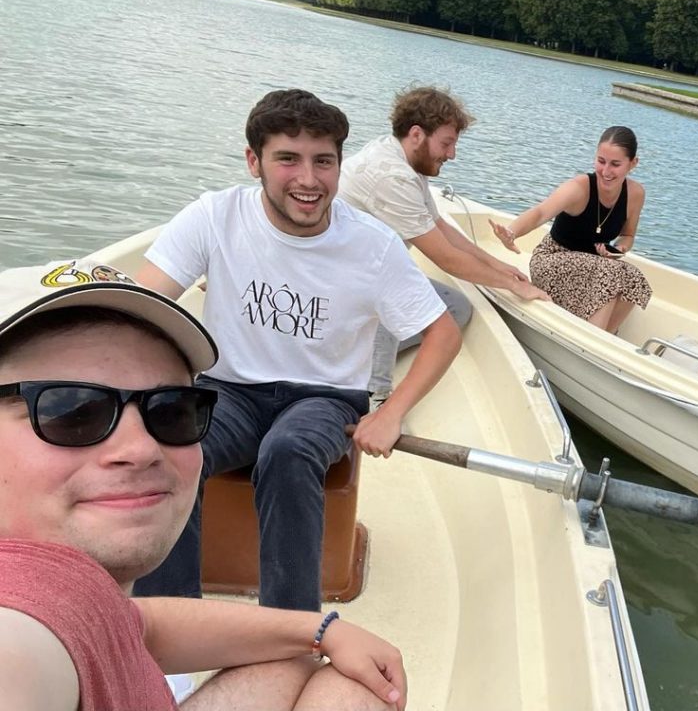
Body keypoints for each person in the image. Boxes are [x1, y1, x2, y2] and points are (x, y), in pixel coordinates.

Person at [0, 259, 406, 710]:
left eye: (171, 410)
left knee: (304, 663)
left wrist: (319, 629)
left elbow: (136, 623)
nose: (141, 448)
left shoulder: (82, 597)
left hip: (324, 398)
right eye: (71, 411)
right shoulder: (22, 627)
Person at [131, 89, 462, 612]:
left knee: (286, 453)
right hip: (228, 390)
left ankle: (289, 632)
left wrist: (392, 413)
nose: (309, 180)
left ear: (338, 165)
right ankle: (171, 623)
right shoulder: (215, 216)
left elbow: (443, 331)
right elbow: (142, 305)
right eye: (288, 158)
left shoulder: (373, 245)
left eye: (323, 161)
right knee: (171, 445)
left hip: (324, 398)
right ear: (253, 161)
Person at [339, 86, 549, 403]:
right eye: (447, 143)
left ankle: (356, 350)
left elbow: (440, 227)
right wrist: (514, 286)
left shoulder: (408, 164)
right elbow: (445, 257)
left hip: (363, 277)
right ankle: (374, 394)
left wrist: (497, 265)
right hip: (340, 282)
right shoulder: (391, 176)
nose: (452, 154)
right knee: (390, 288)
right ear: (416, 134)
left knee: (456, 310)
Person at [490, 126, 652, 334]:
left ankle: (605, 338)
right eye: (601, 161)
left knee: (634, 279)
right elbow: (540, 212)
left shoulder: (635, 194)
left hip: (596, 267)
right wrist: (511, 233)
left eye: (615, 164)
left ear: (633, 163)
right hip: (552, 260)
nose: (605, 171)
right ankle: (593, 341)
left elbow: (628, 235)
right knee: (611, 273)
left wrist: (618, 249)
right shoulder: (579, 187)